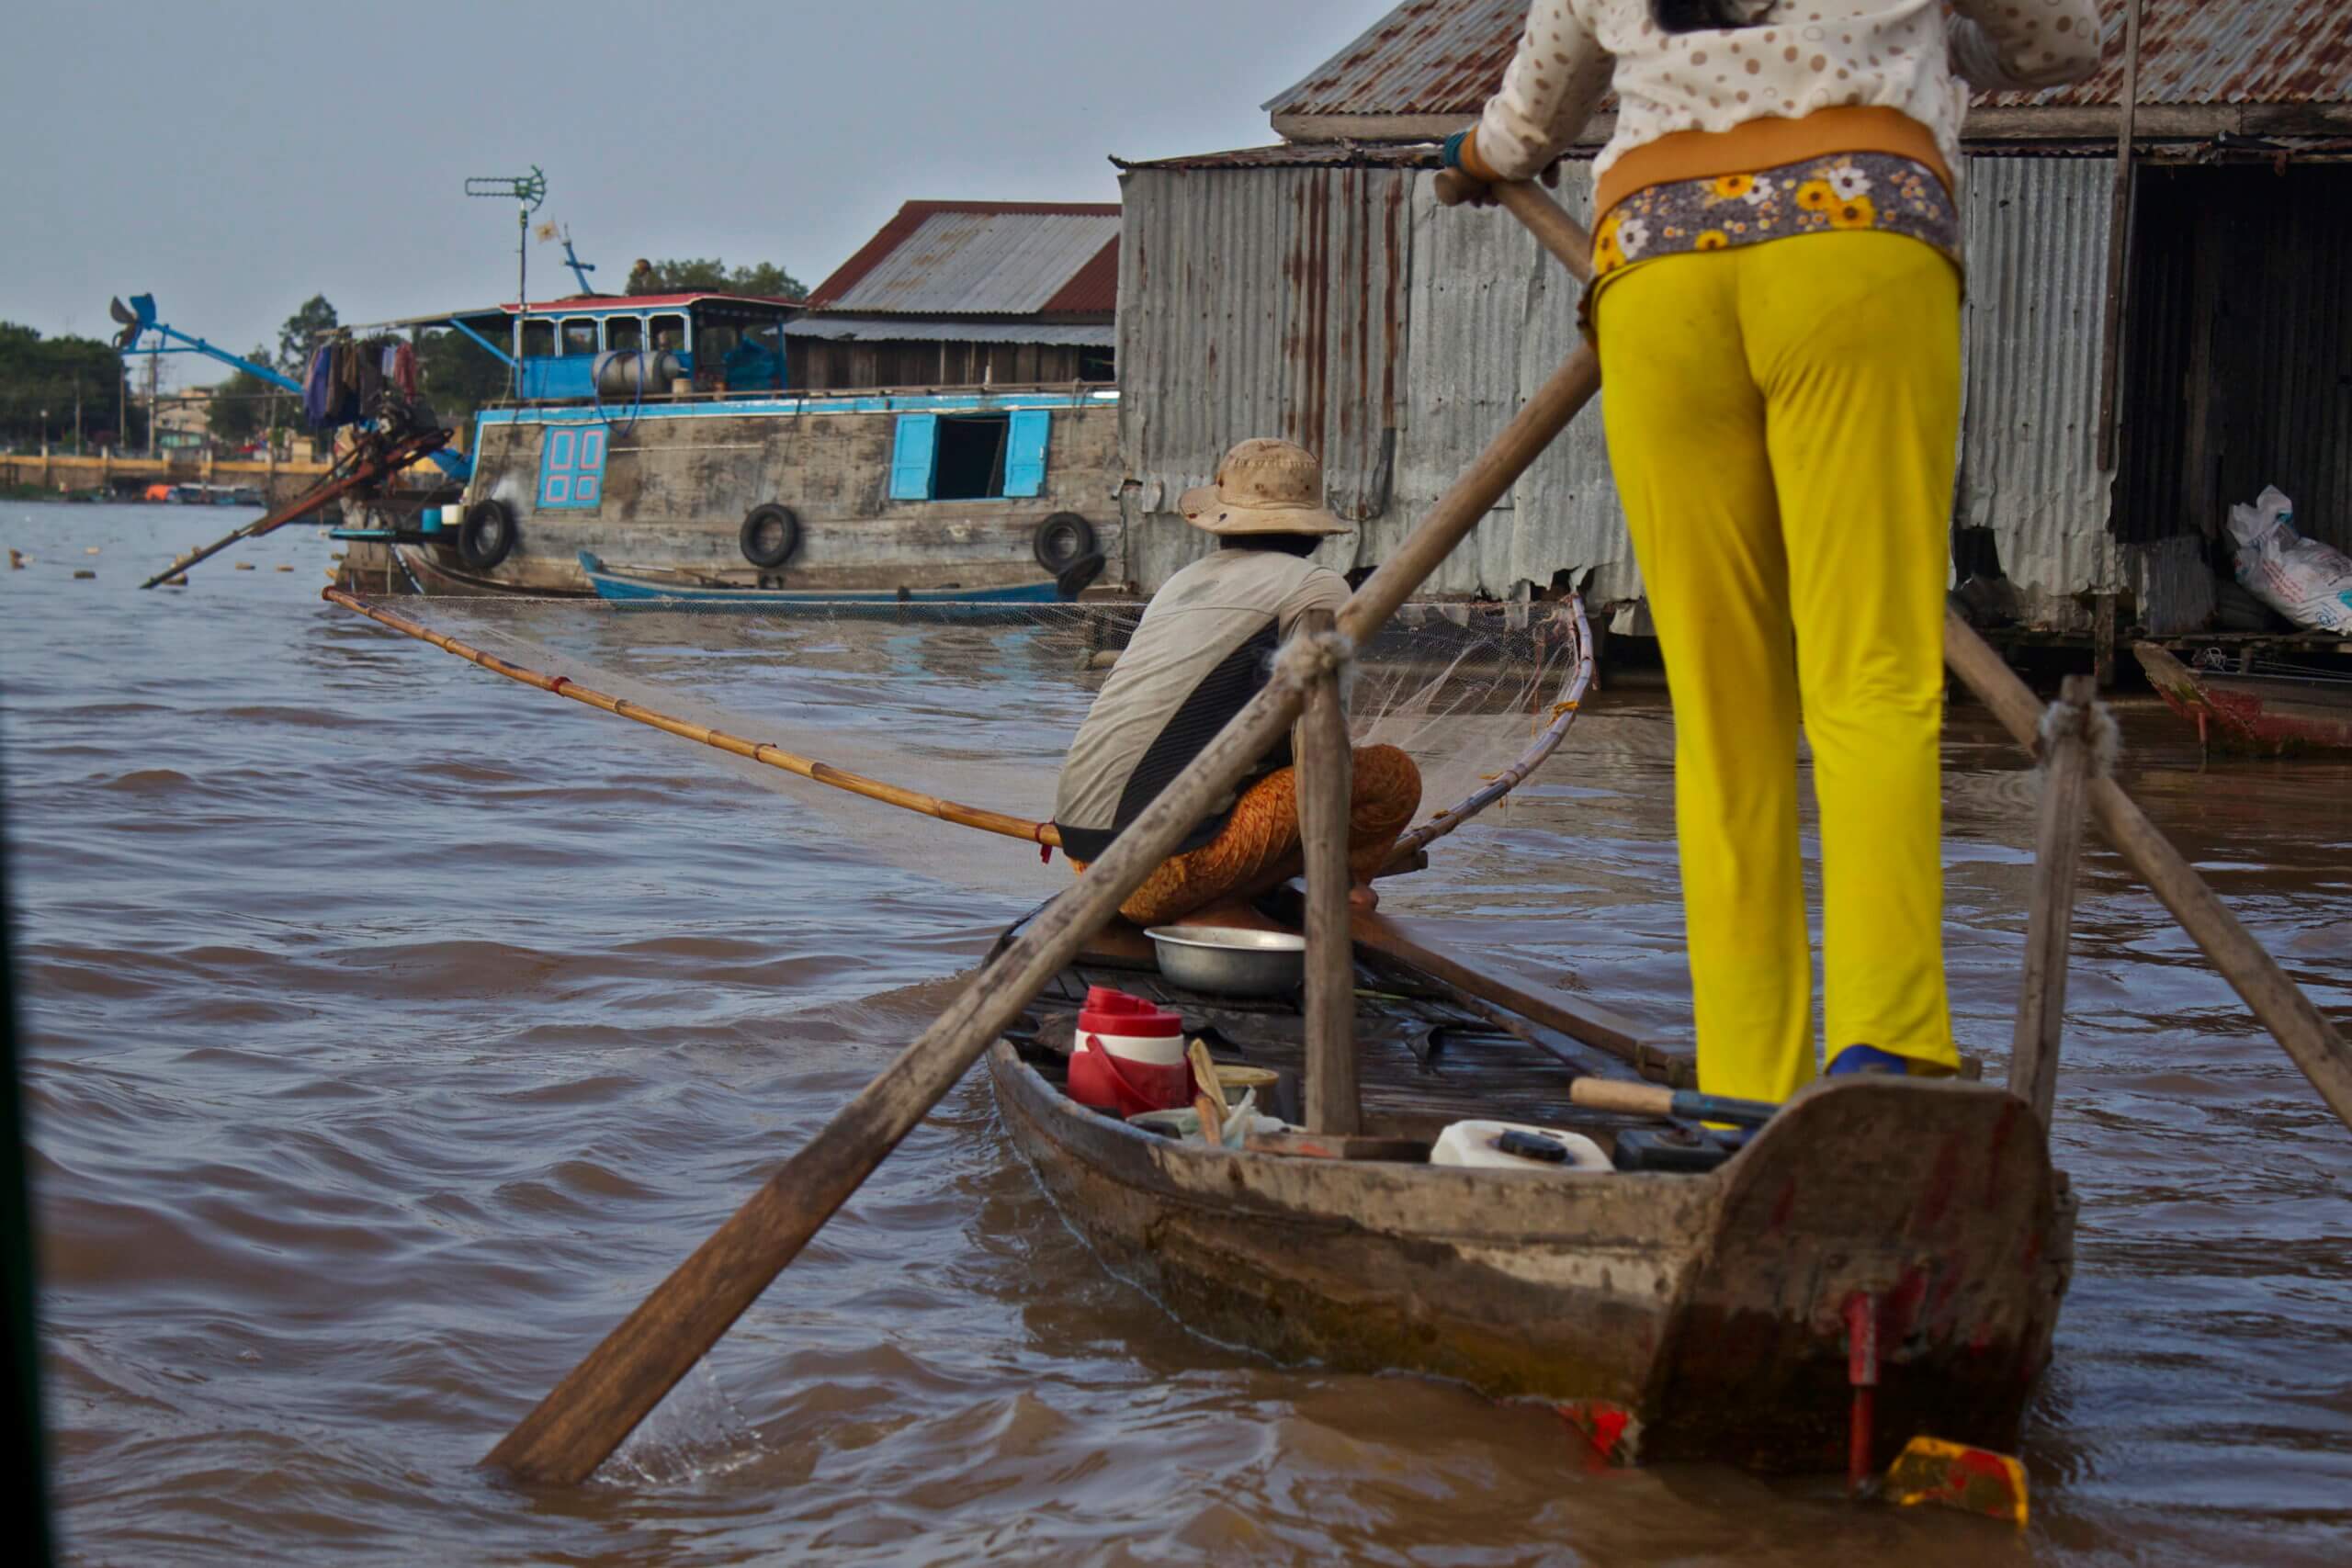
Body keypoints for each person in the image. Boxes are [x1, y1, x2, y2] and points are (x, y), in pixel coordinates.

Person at [1442, 1, 2103, 1101]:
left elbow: (1527, 121)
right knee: (1871, 675)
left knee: (1722, 709)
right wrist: (1941, 48)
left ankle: (1747, 1088)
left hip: (1656, 264)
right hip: (1854, 236)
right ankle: (1888, 1046)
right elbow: (2059, 44)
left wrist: (1473, 158)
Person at [1053, 438, 1422, 926]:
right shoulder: (1315, 586)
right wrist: (1336, 873)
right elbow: (1321, 745)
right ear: (1311, 529)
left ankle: (1239, 884)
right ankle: (1261, 898)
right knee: (1392, 776)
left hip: (1086, 858)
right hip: (1161, 867)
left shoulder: (1182, 581)